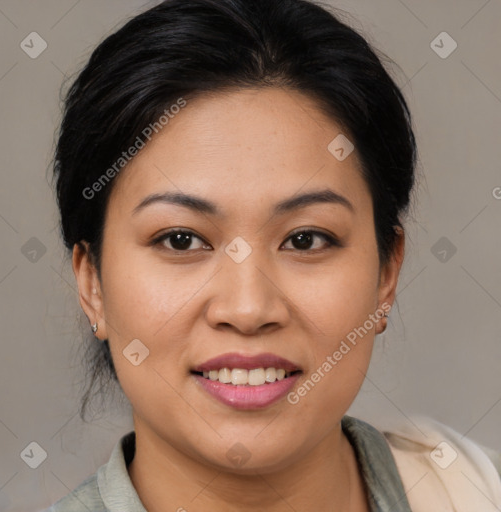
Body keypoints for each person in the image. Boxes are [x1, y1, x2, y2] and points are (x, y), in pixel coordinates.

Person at [45, 0, 501, 510]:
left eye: (305, 239)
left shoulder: (471, 494)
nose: (248, 309)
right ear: (92, 285)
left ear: (386, 274)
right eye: (181, 240)